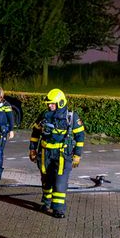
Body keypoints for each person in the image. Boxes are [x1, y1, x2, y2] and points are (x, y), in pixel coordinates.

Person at [28, 88, 84, 218]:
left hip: (62, 155)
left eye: (52, 103)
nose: (49, 106)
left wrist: (77, 155)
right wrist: (32, 149)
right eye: (48, 103)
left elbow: (80, 137)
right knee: (46, 180)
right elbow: (35, 133)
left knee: (60, 182)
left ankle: (58, 209)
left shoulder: (71, 117)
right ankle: (46, 202)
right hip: (45, 153)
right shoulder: (44, 115)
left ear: (61, 103)